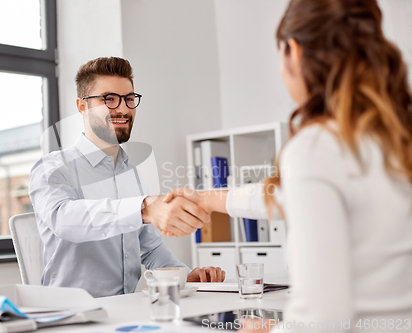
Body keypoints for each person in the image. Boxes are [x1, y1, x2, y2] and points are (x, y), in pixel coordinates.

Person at [165, 0, 412, 331]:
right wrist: (207, 199)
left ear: (293, 51)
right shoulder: (393, 136)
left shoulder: (317, 148)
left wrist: (267, 330)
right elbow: (282, 195)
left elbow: (320, 321)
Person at [29, 57, 225, 298]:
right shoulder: (53, 167)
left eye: (129, 99)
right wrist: (144, 209)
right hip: (72, 317)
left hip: (127, 311)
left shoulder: (131, 174)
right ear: (82, 106)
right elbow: (63, 219)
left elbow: (150, 248)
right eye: (109, 99)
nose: (122, 109)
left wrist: (185, 276)